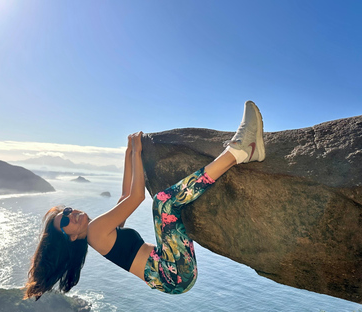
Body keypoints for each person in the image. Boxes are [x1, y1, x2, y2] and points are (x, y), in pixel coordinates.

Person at [24, 101, 265, 299]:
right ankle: (240, 151)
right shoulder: (96, 232)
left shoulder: (98, 234)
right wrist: (137, 153)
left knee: (166, 204)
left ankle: (241, 151)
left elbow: (124, 198)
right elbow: (137, 197)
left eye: (66, 211)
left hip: (172, 274)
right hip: (172, 274)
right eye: (65, 223)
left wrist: (129, 154)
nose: (70, 215)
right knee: (164, 204)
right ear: (72, 237)